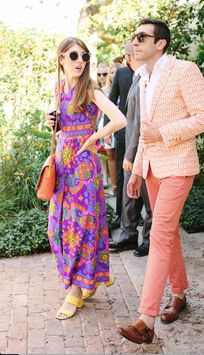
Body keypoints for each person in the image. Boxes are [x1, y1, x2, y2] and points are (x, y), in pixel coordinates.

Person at [118, 18, 204, 344]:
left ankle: (145, 320)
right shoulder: (142, 78)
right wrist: (136, 172)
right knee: (168, 232)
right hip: (151, 170)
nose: (136, 41)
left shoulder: (184, 70)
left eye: (142, 36)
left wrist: (165, 134)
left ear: (160, 43)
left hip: (178, 165)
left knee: (158, 233)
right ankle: (179, 294)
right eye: (134, 36)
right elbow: (146, 133)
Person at [46, 37, 126, 320]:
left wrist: (95, 137)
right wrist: (53, 123)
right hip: (62, 167)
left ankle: (76, 291)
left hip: (84, 169)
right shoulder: (59, 88)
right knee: (56, 227)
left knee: (80, 228)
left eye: (84, 56)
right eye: (74, 56)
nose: (80, 61)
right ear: (61, 59)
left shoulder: (90, 89)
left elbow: (119, 120)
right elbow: (61, 128)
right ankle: (87, 278)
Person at [109, 42, 152, 256]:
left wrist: (132, 154)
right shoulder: (135, 76)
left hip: (142, 148)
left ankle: (149, 240)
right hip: (129, 144)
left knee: (148, 196)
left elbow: (141, 122)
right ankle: (128, 235)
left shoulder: (147, 79)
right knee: (129, 192)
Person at [103, 55, 133, 229]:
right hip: (122, 133)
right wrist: (107, 130)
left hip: (146, 133)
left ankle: (138, 216)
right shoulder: (121, 74)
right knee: (122, 176)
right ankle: (120, 216)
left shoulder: (150, 71)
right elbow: (111, 102)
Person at [103, 62, 123, 197]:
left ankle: (121, 186)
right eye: (111, 72)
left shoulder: (124, 87)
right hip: (107, 124)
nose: (112, 75)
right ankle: (114, 186)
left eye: (115, 72)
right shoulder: (104, 90)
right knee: (110, 155)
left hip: (121, 125)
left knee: (120, 157)